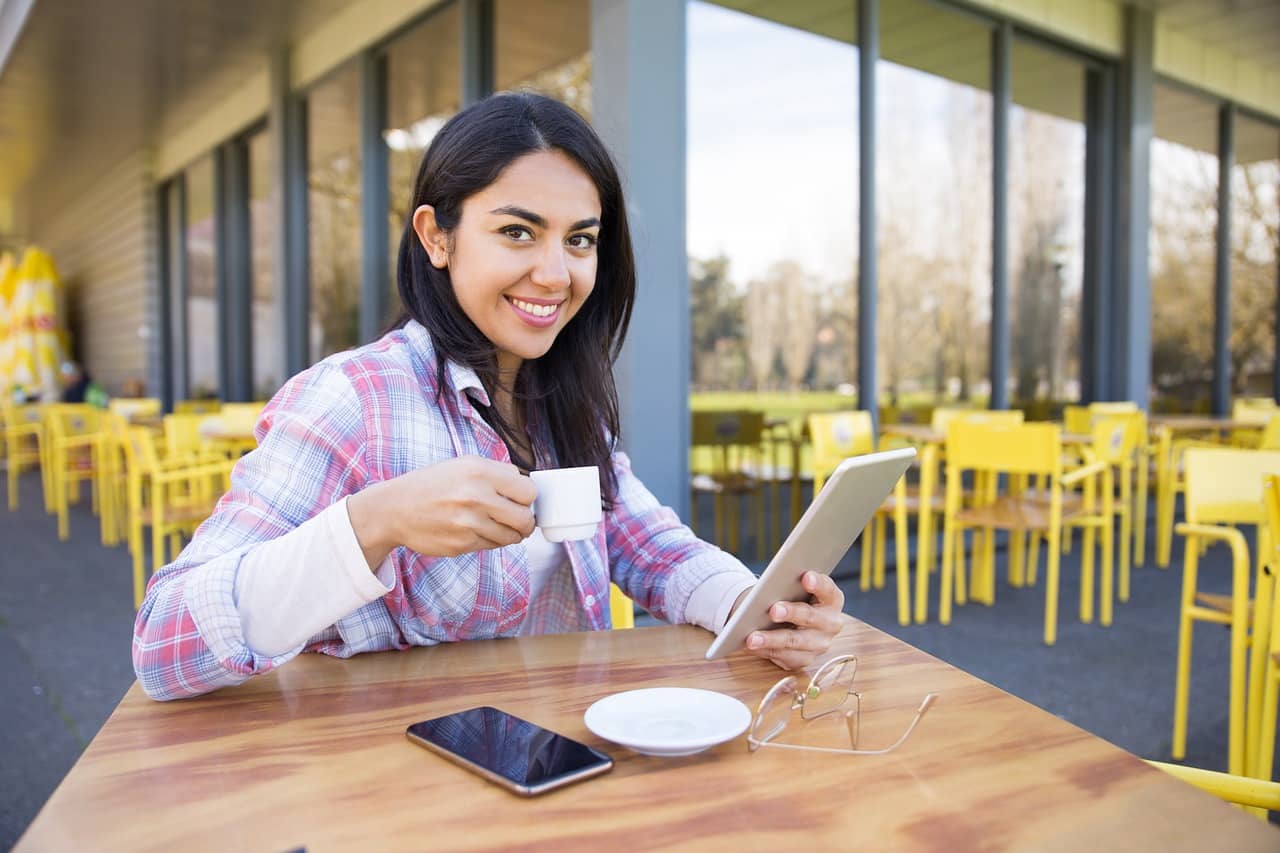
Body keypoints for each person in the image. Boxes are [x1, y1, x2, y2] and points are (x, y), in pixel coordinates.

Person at [132, 93, 845, 701]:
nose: (554, 272)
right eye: (516, 231)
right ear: (436, 236)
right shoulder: (356, 401)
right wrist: (374, 522)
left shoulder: (567, 403)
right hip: (398, 793)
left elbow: (650, 547)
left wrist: (760, 610)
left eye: (580, 240)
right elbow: (163, 644)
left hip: (557, 765)